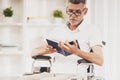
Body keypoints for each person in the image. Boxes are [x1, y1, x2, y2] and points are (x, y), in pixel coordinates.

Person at [31, 0, 103, 73]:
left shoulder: (92, 30)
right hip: (55, 75)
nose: (73, 15)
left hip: (76, 76)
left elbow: (100, 60)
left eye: (78, 12)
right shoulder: (57, 30)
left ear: (85, 11)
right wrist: (47, 50)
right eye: (70, 11)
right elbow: (33, 53)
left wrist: (76, 51)